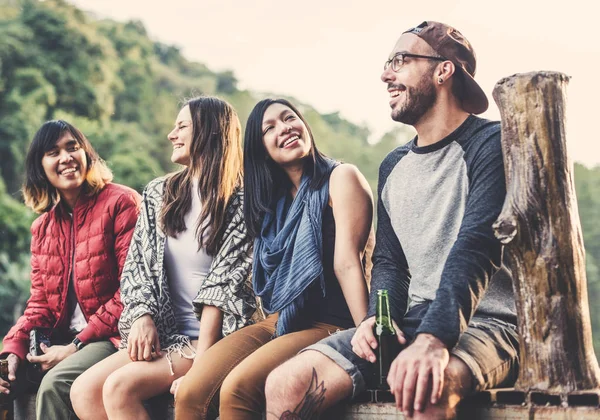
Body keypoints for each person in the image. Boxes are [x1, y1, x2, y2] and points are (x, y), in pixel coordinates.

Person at [265, 21, 520, 420]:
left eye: (400, 61)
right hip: (412, 321)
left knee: (423, 389)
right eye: (388, 63)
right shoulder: (394, 165)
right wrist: (373, 320)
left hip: (487, 323)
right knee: (285, 385)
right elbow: (391, 263)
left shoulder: (493, 143)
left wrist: (434, 340)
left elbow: (476, 247)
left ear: (443, 70)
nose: (386, 74)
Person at [173, 98, 373, 419]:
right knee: (191, 391)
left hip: (332, 321)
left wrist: (366, 331)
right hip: (281, 320)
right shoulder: (269, 203)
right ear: (260, 148)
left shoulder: (340, 177)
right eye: (270, 128)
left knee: (237, 388)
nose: (285, 128)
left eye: (289, 118)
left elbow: (348, 263)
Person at [70, 96, 257, 420]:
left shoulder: (244, 200)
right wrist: (141, 315)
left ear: (211, 131)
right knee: (83, 390)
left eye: (182, 126)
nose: (172, 134)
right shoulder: (160, 192)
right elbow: (137, 267)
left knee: (119, 388)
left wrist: (203, 362)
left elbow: (224, 288)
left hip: (213, 338)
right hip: (167, 334)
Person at [0, 120, 141, 420]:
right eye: (53, 152)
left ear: (87, 154)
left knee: (55, 385)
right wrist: (13, 347)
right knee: (4, 380)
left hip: (114, 336)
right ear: (41, 167)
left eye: (72, 148)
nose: (65, 158)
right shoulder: (43, 227)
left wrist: (76, 345)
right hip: (64, 337)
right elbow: (40, 304)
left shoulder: (121, 202)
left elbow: (132, 290)